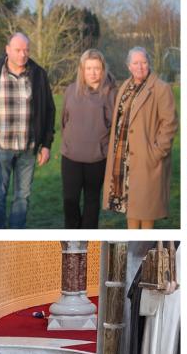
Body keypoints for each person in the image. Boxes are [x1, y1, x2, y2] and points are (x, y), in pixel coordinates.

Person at [0, 32, 55, 228]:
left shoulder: (38, 74)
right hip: (0, 146)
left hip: (28, 148)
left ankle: (16, 231)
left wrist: (46, 145)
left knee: (23, 197)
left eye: (26, 50)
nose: (23, 54)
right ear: (7, 50)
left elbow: (49, 109)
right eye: (18, 50)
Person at [103, 47, 178, 229]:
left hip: (146, 158)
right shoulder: (125, 88)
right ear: (129, 66)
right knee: (131, 207)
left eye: (143, 62)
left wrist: (156, 152)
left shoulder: (160, 88)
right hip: (124, 159)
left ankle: (142, 250)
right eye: (135, 63)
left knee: (146, 210)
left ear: (149, 63)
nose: (140, 67)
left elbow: (170, 123)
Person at [60, 49, 117, 229]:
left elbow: (115, 126)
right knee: (70, 200)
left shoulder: (111, 93)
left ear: (103, 69)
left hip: (97, 158)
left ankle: (89, 236)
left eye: (97, 68)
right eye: (88, 68)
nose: (93, 72)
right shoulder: (71, 91)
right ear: (82, 70)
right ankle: (72, 236)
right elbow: (64, 120)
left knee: (92, 201)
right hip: (71, 157)